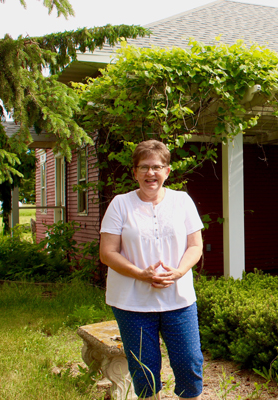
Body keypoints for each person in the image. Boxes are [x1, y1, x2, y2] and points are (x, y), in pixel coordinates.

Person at [99, 140, 204, 400]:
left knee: (190, 363)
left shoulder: (183, 201)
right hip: (132, 303)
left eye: (157, 166)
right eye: (143, 167)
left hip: (178, 299)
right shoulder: (120, 204)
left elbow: (195, 245)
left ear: (167, 171)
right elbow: (107, 253)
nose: (150, 173)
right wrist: (140, 274)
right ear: (134, 172)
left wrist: (179, 272)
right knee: (144, 371)